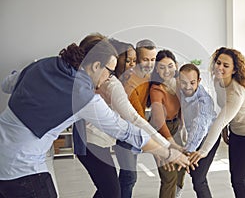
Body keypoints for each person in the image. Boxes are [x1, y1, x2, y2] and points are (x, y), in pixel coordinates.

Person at [0, 34, 189, 198]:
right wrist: (168, 152)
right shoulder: (84, 96)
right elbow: (126, 130)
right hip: (22, 167)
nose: (109, 78)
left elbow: (7, 84)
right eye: (109, 72)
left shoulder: (44, 63)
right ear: (96, 65)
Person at [76, 36, 171, 198]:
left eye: (152, 59)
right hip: (103, 136)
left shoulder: (143, 77)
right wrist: (158, 146)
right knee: (121, 182)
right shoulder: (116, 83)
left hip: (110, 135)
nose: (133, 65)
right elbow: (134, 117)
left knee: (112, 187)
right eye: (129, 61)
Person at [190, 47, 245, 198]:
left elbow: (219, 121)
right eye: (218, 63)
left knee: (239, 179)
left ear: (234, 70)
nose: (220, 67)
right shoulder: (217, 81)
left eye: (226, 65)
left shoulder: (236, 92)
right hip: (236, 134)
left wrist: (203, 151)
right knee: (234, 178)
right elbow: (224, 112)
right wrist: (226, 131)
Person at [114, 39, 157, 198]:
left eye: (153, 59)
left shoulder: (149, 75)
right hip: (125, 133)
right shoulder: (129, 81)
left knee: (123, 179)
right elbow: (137, 117)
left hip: (135, 130)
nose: (150, 63)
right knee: (129, 177)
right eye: (145, 59)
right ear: (137, 59)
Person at [178, 63, 221, 198]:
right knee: (195, 175)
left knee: (198, 178)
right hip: (194, 134)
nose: (188, 87)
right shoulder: (181, 90)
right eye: (184, 82)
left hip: (209, 137)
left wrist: (188, 151)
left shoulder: (204, 101)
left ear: (199, 81)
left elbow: (200, 126)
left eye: (192, 82)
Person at [149, 49, 185, 198]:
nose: (167, 70)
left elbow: (184, 105)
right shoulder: (156, 89)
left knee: (181, 167)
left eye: (170, 66)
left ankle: (176, 195)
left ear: (176, 65)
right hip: (160, 131)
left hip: (176, 125)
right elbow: (158, 121)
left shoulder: (180, 83)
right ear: (157, 69)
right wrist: (170, 144)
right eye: (162, 67)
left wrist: (183, 126)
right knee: (169, 174)